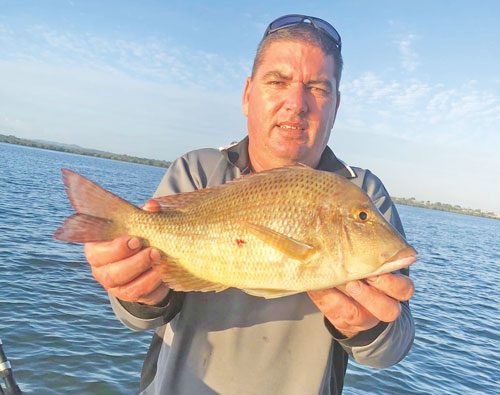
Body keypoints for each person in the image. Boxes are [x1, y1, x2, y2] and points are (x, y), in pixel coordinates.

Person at [84, 14, 415, 395]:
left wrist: (371, 326)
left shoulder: (363, 191)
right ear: (247, 94)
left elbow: (393, 347)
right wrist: (138, 293)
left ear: (336, 107)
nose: (296, 103)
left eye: (318, 88)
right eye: (278, 82)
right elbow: (137, 318)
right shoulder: (198, 169)